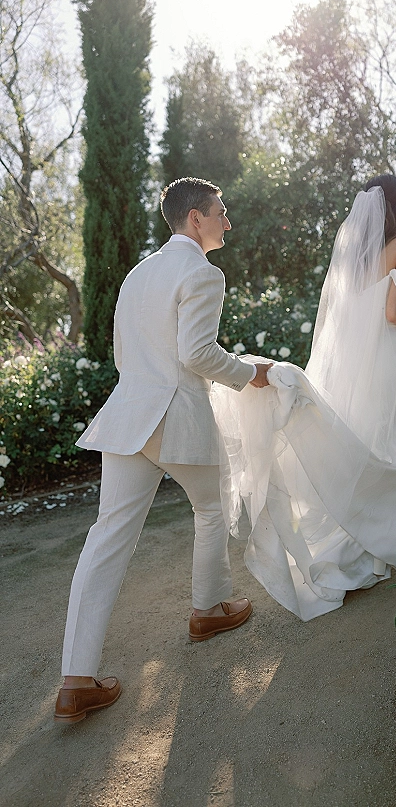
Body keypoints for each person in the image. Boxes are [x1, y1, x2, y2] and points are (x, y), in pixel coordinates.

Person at [54, 177, 272, 724]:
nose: (227, 222)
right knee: (211, 507)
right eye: (220, 212)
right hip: (174, 416)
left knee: (106, 538)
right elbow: (196, 352)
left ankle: (75, 682)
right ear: (194, 220)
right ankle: (207, 611)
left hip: (129, 418)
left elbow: (126, 354)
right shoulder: (203, 271)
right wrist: (250, 375)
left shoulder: (137, 274)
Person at [210, 174, 396, 621]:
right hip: (385, 368)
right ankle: (384, 545)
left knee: (366, 450)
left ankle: (372, 546)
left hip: (351, 366)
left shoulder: (351, 255)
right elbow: (393, 314)